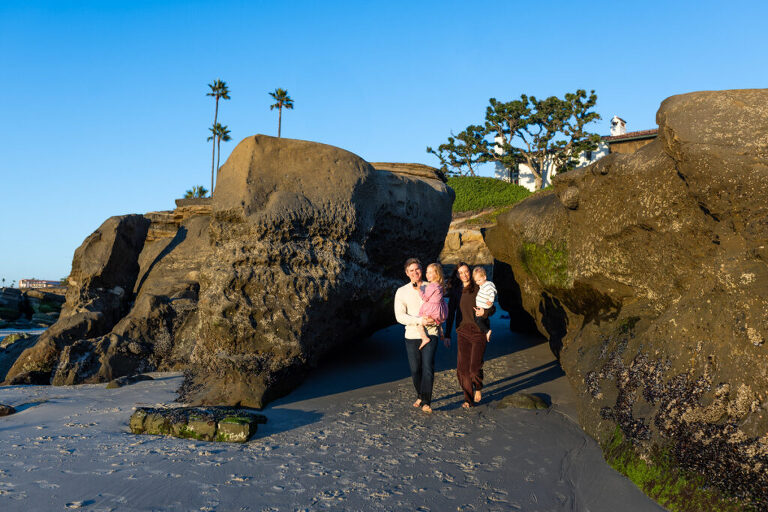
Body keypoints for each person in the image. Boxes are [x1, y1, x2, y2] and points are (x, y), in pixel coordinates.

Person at [394, 258, 449, 413]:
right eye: (411, 270)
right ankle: (420, 394)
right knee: (415, 370)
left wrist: (441, 323)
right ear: (406, 273)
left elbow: (442, 307)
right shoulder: (402, 291)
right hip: (412, 334)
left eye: (417, 269)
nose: (415, 272)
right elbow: (399, 316)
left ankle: (426, 402)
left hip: (431, 332)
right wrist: (419, 320)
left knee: (428, 367)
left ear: (421, 270)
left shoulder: (432, 286)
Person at [454, 263, 491, 408]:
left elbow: (491, 307)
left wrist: (485, 312)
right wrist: (448, 333)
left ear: (470, 272)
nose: (464, 274)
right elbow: (451, 312)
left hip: (478, 332)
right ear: (458, 275)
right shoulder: (456, 291)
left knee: (474, 369)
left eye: (466, 271)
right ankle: (468, 400)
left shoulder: (479, 288)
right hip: (463, 332)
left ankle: (478, 387)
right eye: (461, 272)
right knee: (463, 371)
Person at [417, 263, 449, 350]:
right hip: (439, 309)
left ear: (437, 274)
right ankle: (440, 330)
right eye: (427, 272)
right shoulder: (440, 285)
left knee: (419, 322)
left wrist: (419, 290)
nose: (427, 274)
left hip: (431, 308)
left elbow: (425, 298)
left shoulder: (431, 285)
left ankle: (424, 338)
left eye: (431, 272)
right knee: (436, 320)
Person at [472, 266, 497, 342]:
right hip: (481, 306)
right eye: (476, 281)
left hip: (485, 306)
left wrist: (491, 300)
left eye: (479, 280)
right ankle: (487, 329)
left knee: (479, 320)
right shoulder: (481, 285)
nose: (478, 282)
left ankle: (487, 330)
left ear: (485, 277)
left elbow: (492, 292)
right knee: (480, 320)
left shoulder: (488, 285)